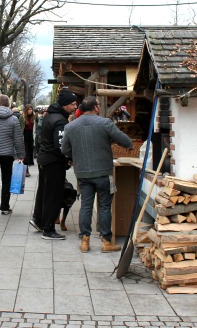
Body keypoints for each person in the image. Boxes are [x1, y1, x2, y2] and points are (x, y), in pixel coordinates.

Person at [61, 96, 133, 253]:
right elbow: (126, 142)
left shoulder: (71, 126)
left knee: (86, 206)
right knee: (105, 206)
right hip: (104, 172)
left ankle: (84, 240)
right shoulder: (105, 123)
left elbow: (65, 150)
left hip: (83, 172)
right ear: (95, 108)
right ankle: (106, 241)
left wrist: (77, 155)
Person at [30, 89, 77, 240]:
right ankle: (48, 229)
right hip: (53, 162)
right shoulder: (60, 120)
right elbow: (61, 145)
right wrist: (68, 158)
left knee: (43, 191)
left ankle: (38, 220)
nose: (75, 107)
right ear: (64, 105)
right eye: (73, 104)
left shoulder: (50, 115)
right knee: (53, 195)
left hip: (44, 159)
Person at [18, 104, 35, 177]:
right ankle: (26, 170)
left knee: (30, 153)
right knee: (26, 153)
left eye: (31, 109)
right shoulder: (22, 117)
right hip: (24, 136)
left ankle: (26, 168)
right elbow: (19, 128)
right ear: (26, 110)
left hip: (31, 137)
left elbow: (35, 128)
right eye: (29, 109)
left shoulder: (33, 118)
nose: (30, 111)